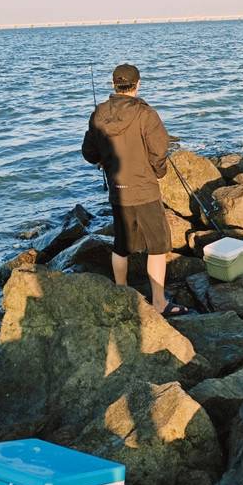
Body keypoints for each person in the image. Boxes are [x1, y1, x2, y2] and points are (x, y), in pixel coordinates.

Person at [82, 63, 188, 316]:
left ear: (114, 84)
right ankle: (159, 302)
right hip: (145, 190)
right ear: (137, 84)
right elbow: (159, 150)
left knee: (121, 245)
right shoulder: (146, 114)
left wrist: (102, 159)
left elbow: (89, 152)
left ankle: (122, 295)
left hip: (118, 191)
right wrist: (159, 171)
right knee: (157, 246)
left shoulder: (99, 114)